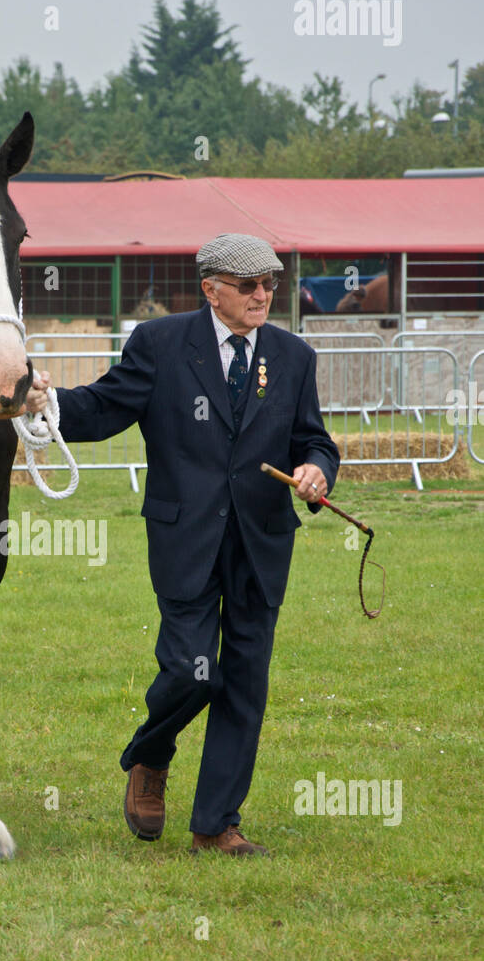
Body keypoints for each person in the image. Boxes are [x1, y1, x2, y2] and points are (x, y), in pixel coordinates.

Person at [25, 233, 340, 857]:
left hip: (262, 543)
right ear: (211, 289)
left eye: (269, 284)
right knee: (191, 673)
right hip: (185, 540)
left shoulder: (294, 356)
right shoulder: (161, 344)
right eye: (248, 285)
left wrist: (317, 470)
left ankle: (215, 825)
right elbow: (103, 408)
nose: (262, 295)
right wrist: (49, 402)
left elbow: (315, 439)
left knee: (245, 683)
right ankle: (150, 755)